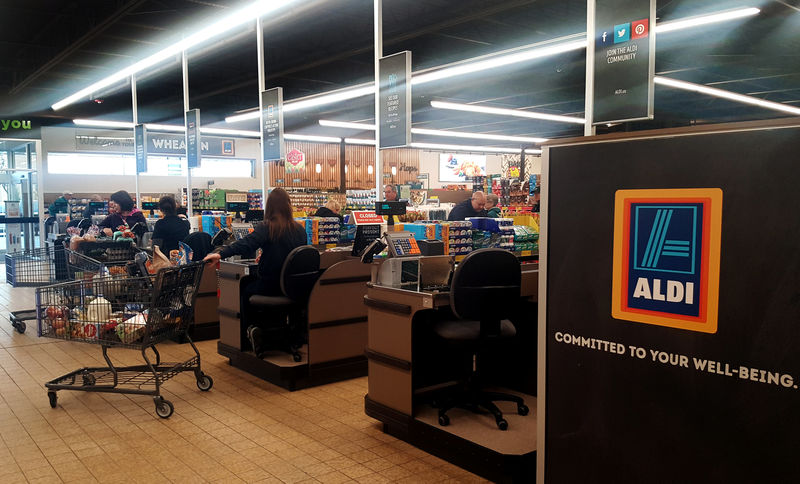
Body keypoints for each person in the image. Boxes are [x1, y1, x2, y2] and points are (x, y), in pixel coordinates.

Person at [203, 188, 307, 354]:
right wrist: (267, 255)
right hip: (293, 288)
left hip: (271, 286)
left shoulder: (268, 227)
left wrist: (220, 254)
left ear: (269, 207)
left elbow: (246, 244)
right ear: (288, 206)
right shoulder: (299, 229)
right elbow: (291, 256)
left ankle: (252, 331)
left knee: (244, 288)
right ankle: (280, 332)